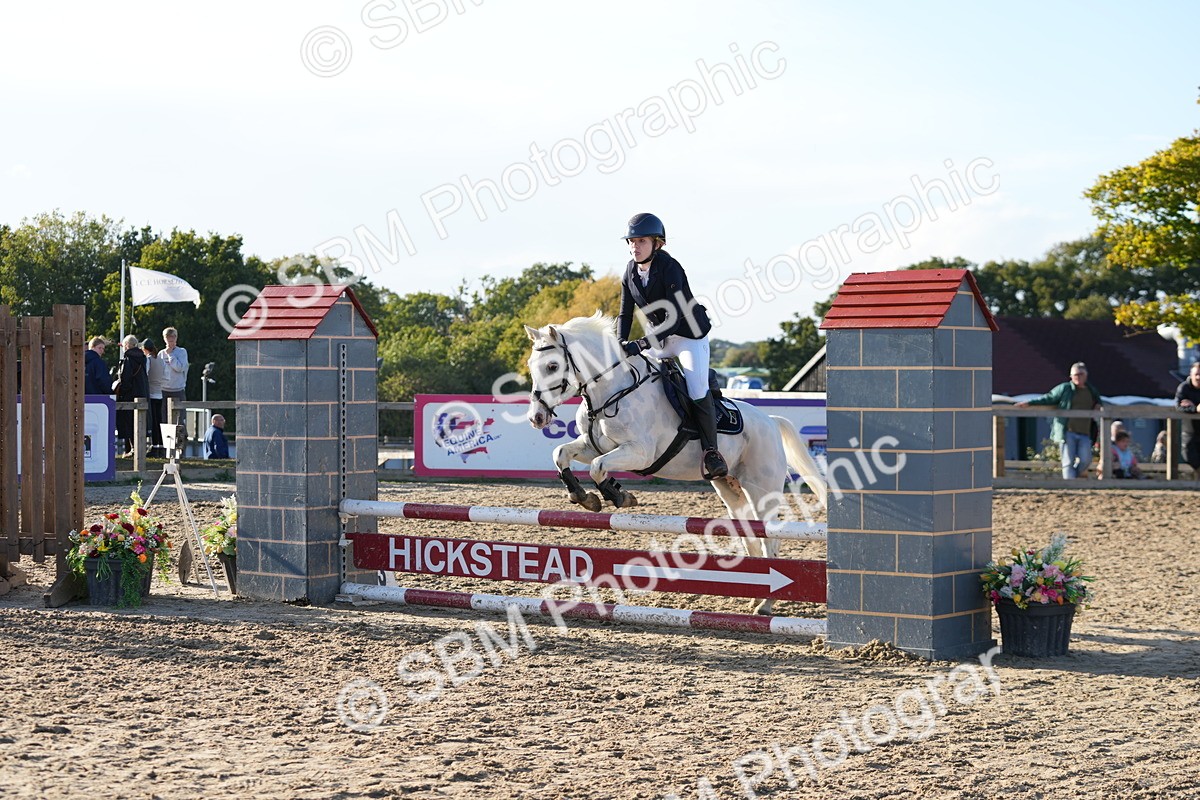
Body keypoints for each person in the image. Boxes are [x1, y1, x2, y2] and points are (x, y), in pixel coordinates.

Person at [616, 212, 727, 479]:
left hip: (689, 337)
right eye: (631, 241)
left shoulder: (671, 267)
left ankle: (711, 452)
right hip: (660, 338)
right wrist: (620, 342)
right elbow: (625, 314)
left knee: (697, 388)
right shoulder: (629, 272)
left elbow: (675, 317)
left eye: (641, 241)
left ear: (658, 243)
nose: (635, 246)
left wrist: (641, 343)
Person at [1015, 361, 1102, 479]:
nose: (1077, 377)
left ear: (1085, 375)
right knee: (1067, 461)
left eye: (1080, 374)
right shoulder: (1065, 388)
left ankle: (1075, 477)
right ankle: (1070, 484)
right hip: (1068, 431)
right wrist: (1030, 402)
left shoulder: (1091, 390)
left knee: (1086, 460)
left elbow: (1099, 402)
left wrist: (1098, 405)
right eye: (1074, 375)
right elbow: (1049, 398)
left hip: (1085, 432)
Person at [114, 335, 150, 457]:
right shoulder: (143, 358)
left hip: (130, 395)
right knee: (139, 422)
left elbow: (126, 379)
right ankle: (139, 448)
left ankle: (132, 449)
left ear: (127, 346)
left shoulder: (128, 359)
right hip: (142, 393)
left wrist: (121, 389)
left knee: (129, 423)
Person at [159, 326, 189, 424]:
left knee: (179, 421)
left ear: (176, 338)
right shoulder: (161, 354)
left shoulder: (182, 352)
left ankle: (180, 438)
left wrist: (170, 355)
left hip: (178, 390)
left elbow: (179, 368)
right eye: (168, 338)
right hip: (163, 391)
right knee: (164, 419)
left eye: (172, 337)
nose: (170, 340)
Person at [1175, 360, 1200, 476]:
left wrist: (1192, 406)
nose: (1198, 377)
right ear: (1191, 374)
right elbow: (1179, 406)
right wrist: (1195, 409)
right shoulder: (1184, 388)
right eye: (1196, 374)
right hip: (1190, 431)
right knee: (1190, 457)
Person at [142, 339, 166, 457]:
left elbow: (145, 374)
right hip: (159, 393)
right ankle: (161, 446)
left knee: (152, 421)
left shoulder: (148, 360)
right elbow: (165, 375)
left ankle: (154, 445)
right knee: (159, 420)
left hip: (151, 393)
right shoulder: (161, 360)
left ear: (145, 349)